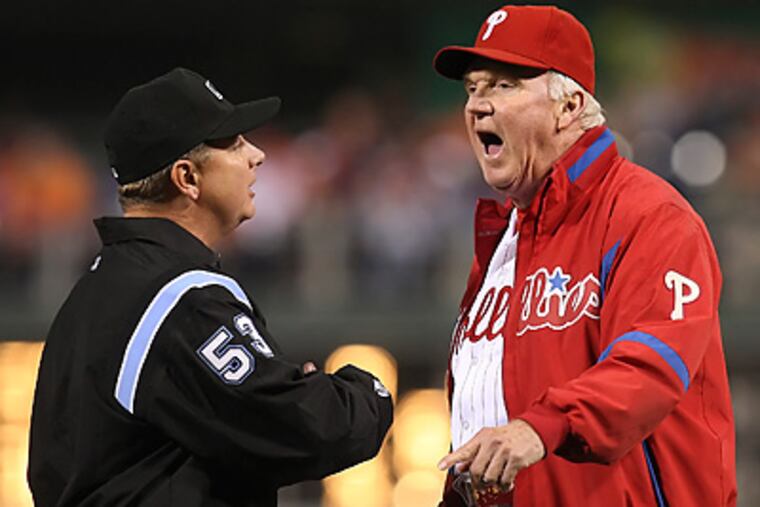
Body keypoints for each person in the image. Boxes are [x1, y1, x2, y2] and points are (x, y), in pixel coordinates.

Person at [27, 68, 393, 507]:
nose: (256, 155)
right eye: (234, 143)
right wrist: (365, 391)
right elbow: (307, 428)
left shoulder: (90, 293)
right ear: (187, 178)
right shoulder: (181, 299)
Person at [432, 5, 736, 507]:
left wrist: (542, 426)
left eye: (504, 86)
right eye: (473, 88)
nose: (478, 105)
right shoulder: (505, 238)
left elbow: (650, 367)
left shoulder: (650, 216)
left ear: (569, 106)